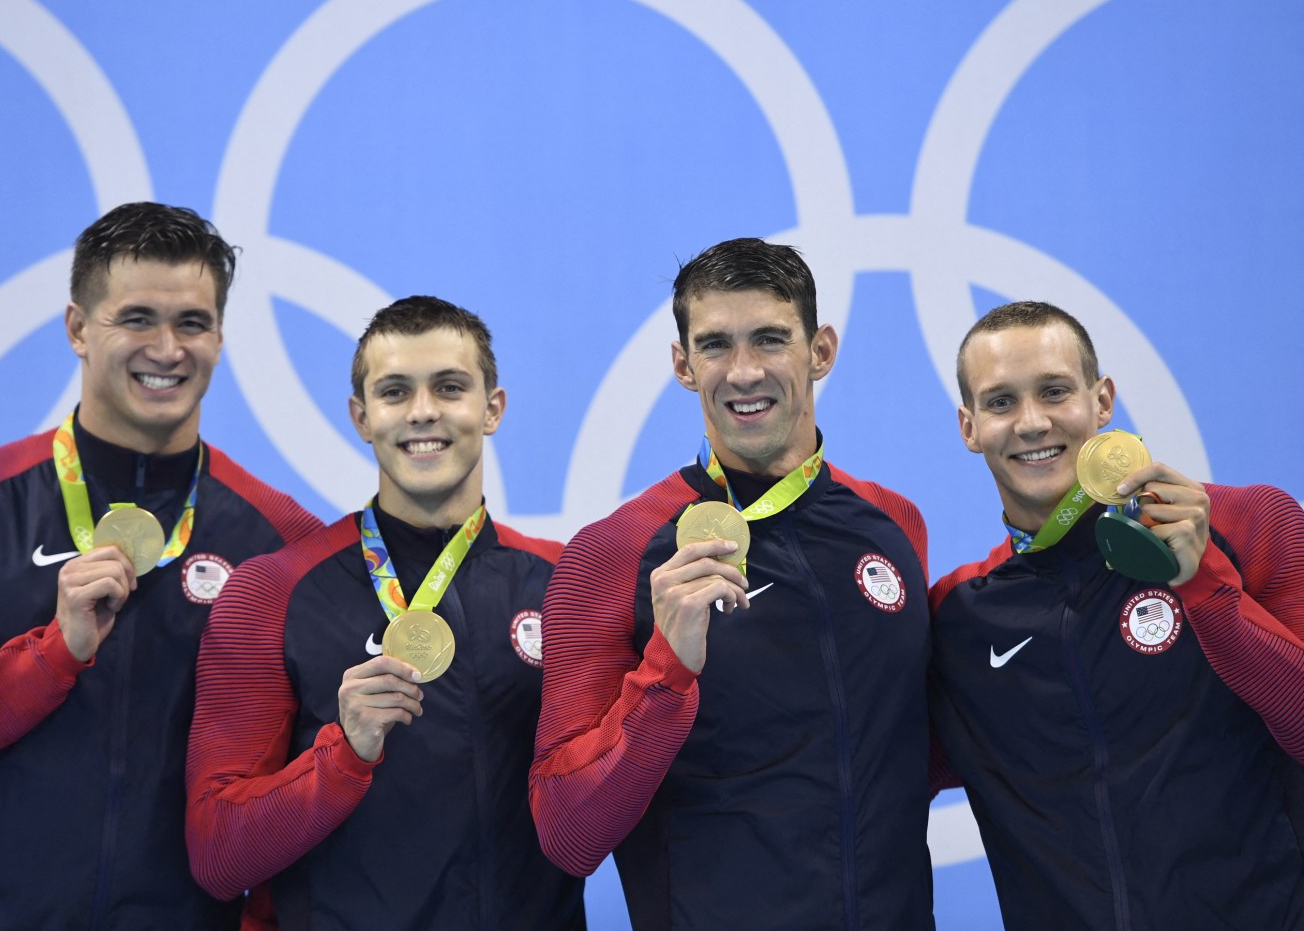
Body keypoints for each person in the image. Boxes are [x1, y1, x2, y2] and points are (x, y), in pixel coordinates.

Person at [0, 202, 322, 930]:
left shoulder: (283, 542)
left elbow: (295, 794)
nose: (167, 349)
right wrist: (51, 658)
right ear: (78, 328)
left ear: (220, 336)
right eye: (137, 319)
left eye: (192, 323)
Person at [530, 238, 934, 930]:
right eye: (716, 346)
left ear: (821, 351)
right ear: (683, 365)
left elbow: (913, 744)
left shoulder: (893, 523)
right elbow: (567, 834)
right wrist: (667, 673)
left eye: (770, 339)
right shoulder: (614, 554)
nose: (744, 372)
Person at [185, 295, 585, 930]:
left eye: (449, 387)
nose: (423, 411)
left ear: (492, 409)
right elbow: (218, 855)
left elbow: (602, 810)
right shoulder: (272, 592)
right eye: (395, 392)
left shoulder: (565, 584)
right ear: (361, 417)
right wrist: (343, 755)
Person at [930, 300, 1304, 929]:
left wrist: (1204, 585)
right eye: (1001, 402)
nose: (1032, 423)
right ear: (969, 427)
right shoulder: (959, 616)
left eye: (1055, 391)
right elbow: (860, 774)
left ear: (1102, 401)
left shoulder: (1248, 524)